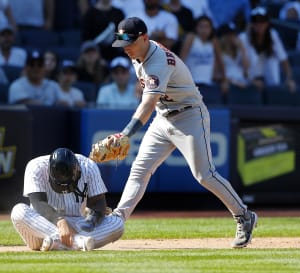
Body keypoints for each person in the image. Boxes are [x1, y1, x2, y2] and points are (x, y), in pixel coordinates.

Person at [110, 17, 257, 248]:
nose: (125, 48)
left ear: (144, 38)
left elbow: (147, 104)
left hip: (189, 115)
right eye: (122, 43)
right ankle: (117, 220)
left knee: (204, 175)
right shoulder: (137, 53)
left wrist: (126, 134)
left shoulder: (157, 60)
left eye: (129, 42)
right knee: (140, 169)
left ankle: (244, 216)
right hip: (163, 117)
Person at [11, 147, 124, 251]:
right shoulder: (36, 167)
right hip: (41, 226)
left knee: (117, 223)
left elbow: (98, 204)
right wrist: (60, 221)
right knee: (18, 211)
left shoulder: (88, 166)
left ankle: (58, 243)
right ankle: (77, 242)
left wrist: (89, 223)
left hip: (77, 225)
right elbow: (38, 203)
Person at [239, 7, 296, 92]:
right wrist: (252, 81)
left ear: (267, 23)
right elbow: (240, 66)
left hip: (270, 83)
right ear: (251, 23)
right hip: (248, 84)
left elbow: (284, 60)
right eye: (255, 21)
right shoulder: (243, 38)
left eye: (262, 21)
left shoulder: (273, 35)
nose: (259, 24)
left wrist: (289, 79)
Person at [178, 15, 226, 87]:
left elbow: (220, 62)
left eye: (207, 27)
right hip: (191, 83)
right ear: (196, 28)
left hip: (208, 83)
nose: (204, 30)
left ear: (211, 29)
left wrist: (224, 80)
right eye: (201, 26)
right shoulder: (191, 38)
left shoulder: (214, 41)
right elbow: (181, 60)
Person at [217, 23, 250, 93]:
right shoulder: (218, 51)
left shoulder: (239, 51)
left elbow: (246, 70)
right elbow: (216, 75)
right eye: (229, 34)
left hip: (242, 83)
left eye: (233, 34)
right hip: (228, 85)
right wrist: (232, 81)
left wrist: (242, 48)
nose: (232, 37)